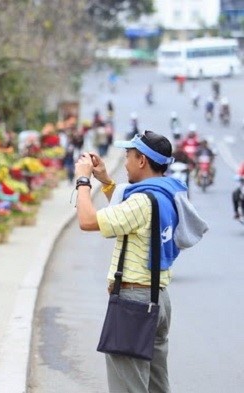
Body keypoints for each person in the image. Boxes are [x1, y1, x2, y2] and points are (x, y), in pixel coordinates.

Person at [73, 130, 208, 393]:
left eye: (128, 156)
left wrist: (83, 180)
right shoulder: (166, 194)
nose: (125, 162)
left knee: (128, 387)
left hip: (133, 302)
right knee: (157, 386)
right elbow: (129, 214)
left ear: (142, 160)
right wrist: (106, 181)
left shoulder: (142, 201)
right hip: (158, 300)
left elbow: (87, 220)